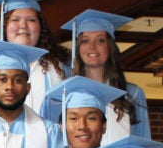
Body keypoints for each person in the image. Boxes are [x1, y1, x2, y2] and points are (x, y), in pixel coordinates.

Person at [0, 0, 70, 115]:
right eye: (15, 19)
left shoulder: (62, 69)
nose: (23, 26)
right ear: (4, 27)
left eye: (31, 20)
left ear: (41, 27)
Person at [62, 9, 152, 140]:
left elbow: (143, 141)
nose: (92, 47)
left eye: (100, 40)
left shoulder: (133, 94)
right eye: (85, 41)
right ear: (78, 48)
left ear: (110, 47)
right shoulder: (66, 92)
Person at [35, 76, 126, 148]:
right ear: (62, 126)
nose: (82, 126)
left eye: (91, 118)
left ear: (104, 126)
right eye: (73, 118)